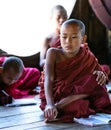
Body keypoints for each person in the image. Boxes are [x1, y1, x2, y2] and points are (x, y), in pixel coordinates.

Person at [40, 19, 111, 123]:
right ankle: (54, 107)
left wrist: (100, 74)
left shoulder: (86, 54)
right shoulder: (53, 53)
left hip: (76, 90)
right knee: (80, 106)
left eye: (73, 37)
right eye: (64, 37)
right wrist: (50, 104)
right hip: (57, 93)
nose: (68, 41)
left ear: (83, 39)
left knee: (96, 79)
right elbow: (48, 79)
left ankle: (59, 107)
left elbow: (98, 74)